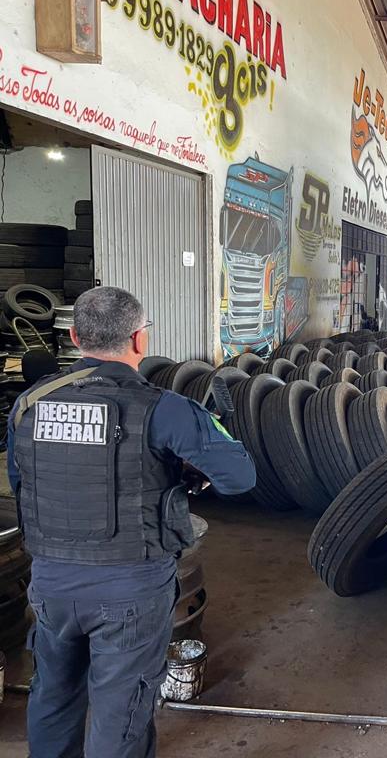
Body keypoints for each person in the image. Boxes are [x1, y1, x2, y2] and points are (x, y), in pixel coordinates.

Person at [7, 286, 257, 758]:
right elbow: (240, 477)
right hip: (130, 589)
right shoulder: (165, 408)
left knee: (52, 696)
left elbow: (23, 484)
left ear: (76, 335)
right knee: (120, 710)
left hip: (50, 583)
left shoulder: (28, 404)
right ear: (140, 340)